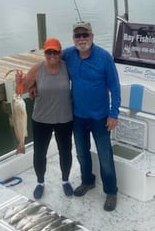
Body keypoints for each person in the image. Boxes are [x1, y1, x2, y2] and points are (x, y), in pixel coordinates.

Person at [62, 21, 121, 211]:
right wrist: (32, 84)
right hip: (78, 116)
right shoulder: (68, 54)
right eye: (78, 36)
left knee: (105, 155)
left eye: (85, 35)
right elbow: (48, 63)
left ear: (92, 36)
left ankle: (111, 191)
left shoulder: (104, 57)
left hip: (100, 117)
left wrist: (114, 114)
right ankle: (88, 181)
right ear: (73, 38)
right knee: (81, 152)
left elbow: (115, 87)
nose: (81, 39)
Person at [16, 38, 73, 199]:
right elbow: (21, 90)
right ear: (44, 52)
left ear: (60, 52)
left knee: (65, 152)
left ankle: (65, 180)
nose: (52, 55)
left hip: (65, 118)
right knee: (39, 153)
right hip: (41, 119)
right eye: (49, 52)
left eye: (55, 51)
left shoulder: (67, 68)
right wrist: (23, 83)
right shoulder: (37, 69)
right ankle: (40, 182)